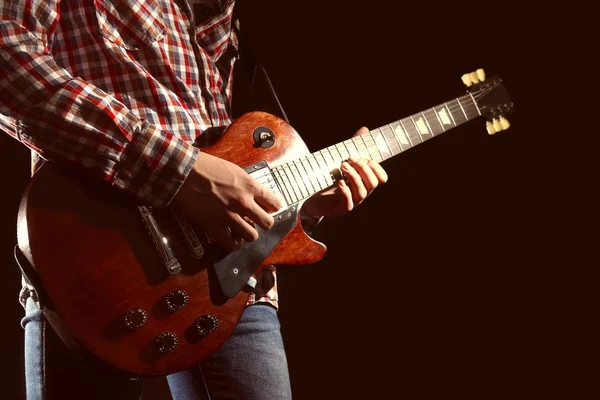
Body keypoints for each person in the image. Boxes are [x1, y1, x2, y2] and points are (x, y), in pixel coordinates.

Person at [0, 1, 388, 399]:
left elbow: (225, 150)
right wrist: (180, 173)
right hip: (93, 262)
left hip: (234, 282)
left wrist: (301, 201)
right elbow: (7, 59)